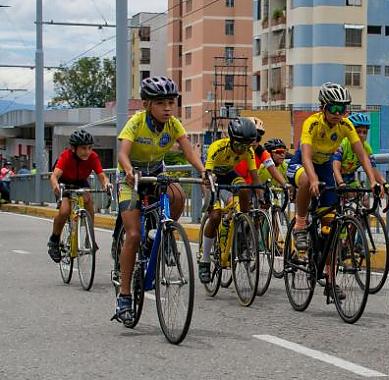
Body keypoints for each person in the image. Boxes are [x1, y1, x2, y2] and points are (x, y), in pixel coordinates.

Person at [113, 76, 207, 324]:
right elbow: (123, 153)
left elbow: (188, 149)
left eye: (171, 102)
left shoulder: (173, 124)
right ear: (147, 105)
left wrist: (203, 170)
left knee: (177, 195)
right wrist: (129, 170)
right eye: (161, 103)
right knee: (133, 235)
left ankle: (162, 233)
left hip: (155, 173)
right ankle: (124, 296)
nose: (167, 108)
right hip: (130, 178)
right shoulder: (136, 122)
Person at [287, 82, 385, 298]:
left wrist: (373, 180)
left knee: (330, 231)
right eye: (334, 109)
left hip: (324, 168)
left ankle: (330, 281)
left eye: (343, 109)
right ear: (323, 107)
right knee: (304, 181)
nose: (338, 114)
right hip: (304, 164)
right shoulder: (312, 124)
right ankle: (301, 224)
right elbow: (305, 156)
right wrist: (312, 179)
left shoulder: (345, 125)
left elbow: (362, 155)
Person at [198, 117, 261, 283]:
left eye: (246, 145)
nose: (242, 149)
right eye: (239, 145)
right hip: (212, 178)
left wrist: (261, 196)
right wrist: (210, 198)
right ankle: (204, 260)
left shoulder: (248, 151)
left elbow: (255, 178)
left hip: (230, 175)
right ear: (231, 139)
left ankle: (242, 222)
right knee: (215, 215)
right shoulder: (217, 148)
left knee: (245, 188)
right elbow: (207, 174)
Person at [47, 130, 111, 262]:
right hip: (64, 182)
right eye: (83, 148)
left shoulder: (93, 157)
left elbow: (101, 175)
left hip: (80, 181)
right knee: (64, 211)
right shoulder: (66, 156)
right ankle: (54, 240)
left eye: (89, 148)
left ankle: (89, 236)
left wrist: (106, 184)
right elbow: (55, 175)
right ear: (73, 148)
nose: (87, 151)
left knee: (88, 200)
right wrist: (55, 186)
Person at [331, 112, 387, 189]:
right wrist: (340, 182)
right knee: (332, 199)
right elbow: (335, 167)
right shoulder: (343, 144)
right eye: (358, 132)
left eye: (365, 132)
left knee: (364, 197)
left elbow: (373, 169)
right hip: (333, 176)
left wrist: (385, 184)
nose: (361, 135)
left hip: (349, 177)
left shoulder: (366, 148)